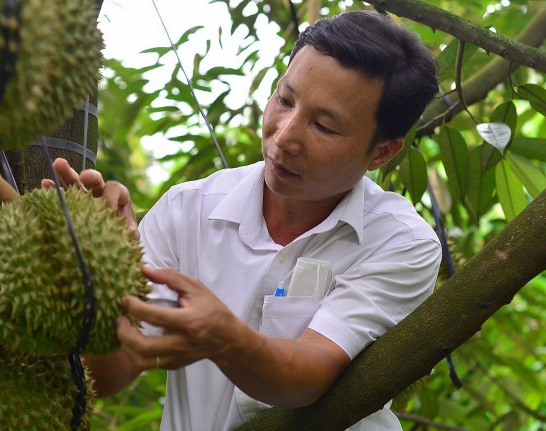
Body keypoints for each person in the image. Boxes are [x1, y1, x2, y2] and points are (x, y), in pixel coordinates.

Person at [43, 10, 441, 430]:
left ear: (382, 153)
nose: (284, 136)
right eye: (284, 100)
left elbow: (306, 378)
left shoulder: (399, 241)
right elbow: (105, 376)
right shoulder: (187, 210)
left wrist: (225, 339)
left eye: (324, 127)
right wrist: (103, 277)